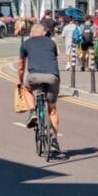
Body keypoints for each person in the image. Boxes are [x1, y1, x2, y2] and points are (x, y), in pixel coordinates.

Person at [18, 23, 62, 155]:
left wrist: (20, 81)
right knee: (52, 109)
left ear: (31, 33)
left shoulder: (25, 44)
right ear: (43, 33)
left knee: (26, 89)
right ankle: (54, 140)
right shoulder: (51, 43)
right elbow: (54, 57)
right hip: (52, 77)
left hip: (34, 77)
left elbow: (21, 66)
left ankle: (32, 112)